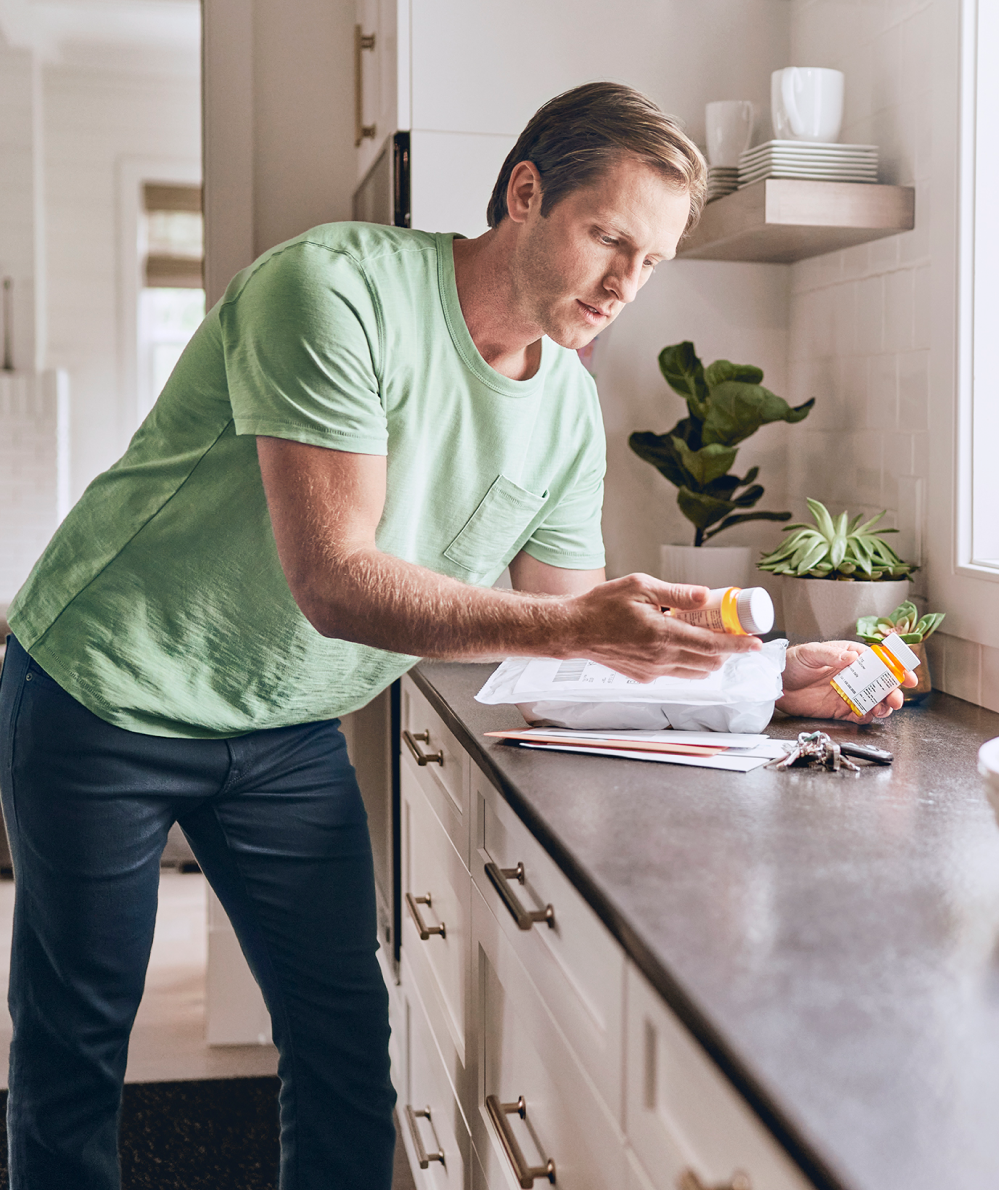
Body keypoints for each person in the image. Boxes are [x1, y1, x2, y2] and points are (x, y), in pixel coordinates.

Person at [0, 81, 909, 1189]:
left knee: (343, 1042)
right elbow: (334, 583)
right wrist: (581, 621)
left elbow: (575, 645)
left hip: (283, 728)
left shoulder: (566, 408)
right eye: (608, 237)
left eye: (654, 259)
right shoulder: (329, 289)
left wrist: (762, 676)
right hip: (106, 686)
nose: (626, 285)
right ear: (524, 193)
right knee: (78, 1039)